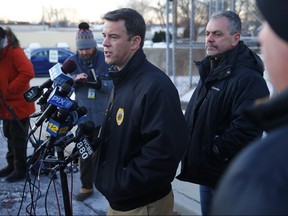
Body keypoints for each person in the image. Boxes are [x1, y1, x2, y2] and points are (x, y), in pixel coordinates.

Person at [92, 8, 189, 216]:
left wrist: (123, 183)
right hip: (120, 201)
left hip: (141, 205)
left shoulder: (155, 87)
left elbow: (164, 153)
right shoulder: (121, 79)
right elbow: (126, 135)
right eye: (104, 36)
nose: (105, 43)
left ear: (135, 42)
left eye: (114, 37)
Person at [176, 10, 270, 215]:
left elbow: (247, 130)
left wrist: (213, 150)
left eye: (217, 34)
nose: (209, 39)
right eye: (208, 33)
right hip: (206, 171)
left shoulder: (249, 79)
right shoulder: (212, 68)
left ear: (236, 38)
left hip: (227, 177)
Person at [210, 1, 288, 215]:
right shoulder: (208, 69)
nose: (261, 36)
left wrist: (215, 150)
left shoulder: (263, 176)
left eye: (269, 24)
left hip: (220, 168)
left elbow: (244, 127)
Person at [66, 22, 113, 201]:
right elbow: (63, 88)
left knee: (107, 152)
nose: (84, 52)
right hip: (83, 119)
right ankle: (87, 186)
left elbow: (113, 85)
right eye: (81, 50)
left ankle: (108, 183)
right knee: (85, 152)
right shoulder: (72, 62)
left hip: (104, 116)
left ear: (94, 46)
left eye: (88, 49)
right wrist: (73, 81)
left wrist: (99, 83)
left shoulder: (105, 58)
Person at [0, 26, 36, 182]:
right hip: (5, 105)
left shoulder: (14, 51)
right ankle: (11, 165)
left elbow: (28, 72)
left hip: (18, 106)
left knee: (18, 139)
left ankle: (20, 169)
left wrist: (10, 89)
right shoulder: (2, 52)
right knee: (9, 136)